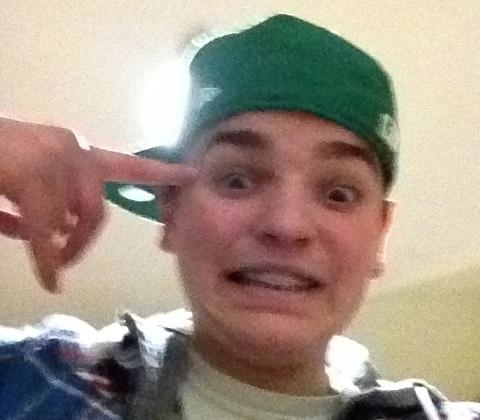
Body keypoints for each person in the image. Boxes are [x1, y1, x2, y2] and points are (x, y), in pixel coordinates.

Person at [0, 14, 478, 420]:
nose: (286, 225)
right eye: (237, 180)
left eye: (338, 193)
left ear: (380, 235)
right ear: (171, 210)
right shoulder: (31, 378)